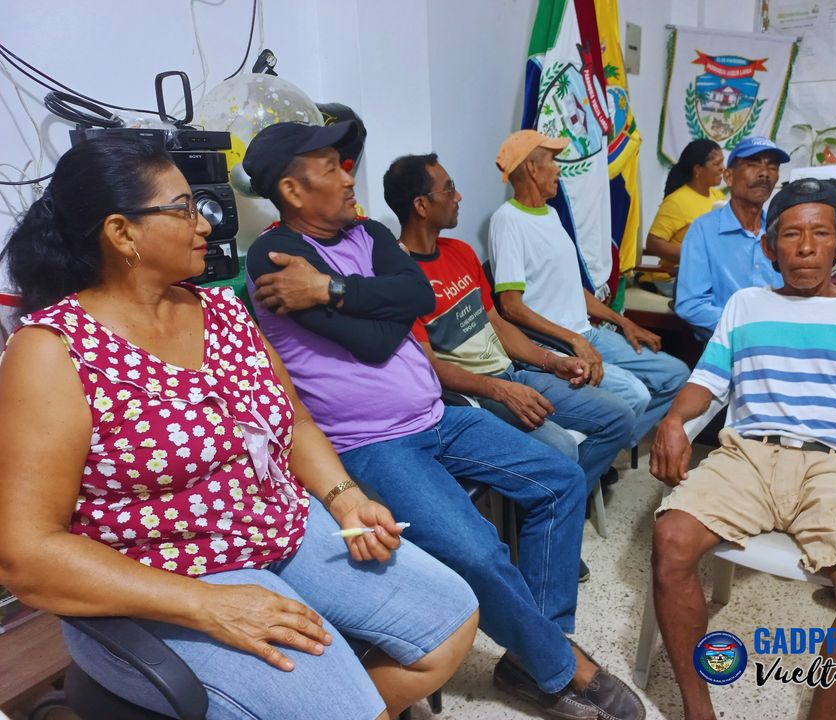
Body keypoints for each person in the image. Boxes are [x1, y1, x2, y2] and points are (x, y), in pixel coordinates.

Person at [0, 136, 480, 720]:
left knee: (450, 621)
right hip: (163, 574)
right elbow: (27, 554)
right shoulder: (53, 351)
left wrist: (345, 497)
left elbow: (293, 419)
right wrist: (208, 604)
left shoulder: (223, 312)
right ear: (122, 233)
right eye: (183, 208)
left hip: (277, 526)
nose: (204, 223)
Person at [241, 122, 645, 720]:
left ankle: (537, 650)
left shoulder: (370, 232)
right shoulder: (272, 258)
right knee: (477, 552)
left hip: (438, 415)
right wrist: (374, 299)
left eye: (345, 164)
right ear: (292, 191)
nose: (349, 177)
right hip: (370, 444)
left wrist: (329, 288)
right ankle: (560, 668)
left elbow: (420, 297)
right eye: (330, 168)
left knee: (560, 479)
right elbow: (377, 339)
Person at [649, 178, 836, 720]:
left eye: (820, 234)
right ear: (771, 248)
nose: (806, 247)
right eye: (790, 235)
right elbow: (708, 380)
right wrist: (675, 420)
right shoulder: (746, 305)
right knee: (671, 539)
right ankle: (698, 712)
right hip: (746, 456)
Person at [384, 152, 634, 499]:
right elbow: (429, 366)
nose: (458, 197)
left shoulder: (460, 252)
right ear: (421, 206)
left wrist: (552, 361)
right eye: (449, 189)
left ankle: (565, 500)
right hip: (476, 396)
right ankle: (555, 500)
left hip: (513, 374)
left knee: (620, 416)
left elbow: (497, 323)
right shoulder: (400, 277)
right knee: (561, 448)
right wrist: (500, 391)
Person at [488, 129, 689, 448]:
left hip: (586, 334)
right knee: (635, 393)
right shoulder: (508, 220)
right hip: (555, 343)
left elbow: (573, 289)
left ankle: (609, 445)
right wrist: (572, 340)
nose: (558, 169)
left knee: (676, 375)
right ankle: (597, 452)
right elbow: (511, 307)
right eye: (552, 160)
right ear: (532, 168)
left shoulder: (551, 214)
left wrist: (623, 322)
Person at [674, 136, 788, 337]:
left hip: (781, 337)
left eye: (772, 167)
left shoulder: (781, 231)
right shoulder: (704, 230)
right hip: (730, 340)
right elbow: (691, 305)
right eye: (753, 164)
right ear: (729, 176)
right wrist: (749, 328)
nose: (764, 173)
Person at [639, 139, 725, 297]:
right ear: (698, 169)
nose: (723, 168)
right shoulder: (677, 201)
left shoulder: (718, 196)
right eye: (717, 164)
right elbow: (653, 242)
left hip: (706, 277)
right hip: (674, 278)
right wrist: (695, 255)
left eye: (722, 162)